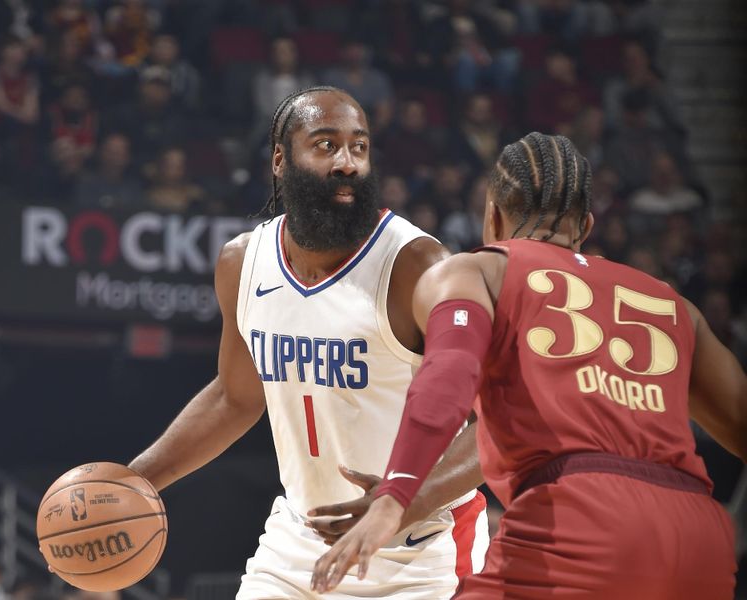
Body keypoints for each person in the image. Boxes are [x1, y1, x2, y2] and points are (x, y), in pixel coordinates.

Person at [312, 132, 744, 599]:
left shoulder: (476, 271)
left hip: (577, 522)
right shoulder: (671, 303)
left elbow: (448, 381)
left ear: (492, 213)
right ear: (587, 226)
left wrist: (394, 498)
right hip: (699, 537)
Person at [128, 86, 488, 598]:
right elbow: (235, 398)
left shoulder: (415, 265)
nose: (347, 163)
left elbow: (497, 418)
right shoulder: (242, 264)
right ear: (280, 159)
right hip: (299, 541)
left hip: (419, 548)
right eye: (325, 145)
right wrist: (137, 481)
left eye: (358, 147)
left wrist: (399, 501)